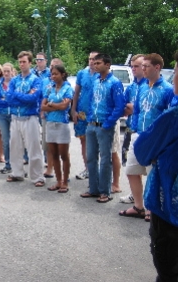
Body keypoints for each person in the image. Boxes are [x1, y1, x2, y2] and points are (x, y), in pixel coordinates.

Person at [134, 46, 178, 282]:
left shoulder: (177, 114)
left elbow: (142, 151)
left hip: (169, 205)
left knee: (170, 271)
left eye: (176, 71)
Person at [119, 53, 174, 221]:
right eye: (141, 66)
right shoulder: (142, 87)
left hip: (156, 139)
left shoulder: (167, 90)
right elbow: (137, 111)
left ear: (157, 68)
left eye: (146, 66)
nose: (142, 69)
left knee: (153, 174)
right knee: (131, 170)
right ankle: (139, 206)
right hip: (138, 134)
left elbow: (170, 116)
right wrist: (132, 127)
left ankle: (152, 208)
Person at [79, 53, 125, 203]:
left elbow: (119, 107)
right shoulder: (96, 81)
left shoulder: (115, 83)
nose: (95, 65)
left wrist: (108, 123)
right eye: (94, 62)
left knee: (105, 159)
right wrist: (90, 118)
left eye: (98, 63)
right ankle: (93, 189)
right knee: (91, 157)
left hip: (104, 126)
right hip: (92, 124)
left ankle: (105, 191)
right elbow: (92, 100)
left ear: (107, 65)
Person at [6, 51, 45, 187]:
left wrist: (17, 95)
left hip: (30, 117)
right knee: (15, 147)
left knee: (34, 148)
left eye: (24, 62)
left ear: (30, 63)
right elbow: (9, 99)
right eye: (20, 62)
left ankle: (37, 176)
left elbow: (32, 99)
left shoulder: (35, 80)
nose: (22, 64)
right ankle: (17, 173)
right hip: (16, 117)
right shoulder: (14, 80)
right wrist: (21, 96)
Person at [119, 54, 147, 203]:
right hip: (131, 129)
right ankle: (134, 195)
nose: (133, 69)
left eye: (137, 66)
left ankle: (149, 201)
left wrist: (134, 108)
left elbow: (148, 110)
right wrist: (130, 108)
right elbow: (123, 107)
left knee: (148, 168)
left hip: (145, 131)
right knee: (131, 167)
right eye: (132, 66)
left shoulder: (148, 86)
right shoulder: (131, 87)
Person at [41, 65, 73, 193]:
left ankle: (65, 182)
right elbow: (42, 106)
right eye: (52, 74)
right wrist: (56, 106)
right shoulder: (49, 88)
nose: (53, 77)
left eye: (56, 74)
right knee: (53, 154)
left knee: (64, 155)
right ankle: (58, 181)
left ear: (62, 74)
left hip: (62, 124)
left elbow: (65, 106)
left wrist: (52, 104)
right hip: (50, 123)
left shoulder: (67, 88)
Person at [71, 51, 99, 180]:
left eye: (94, 59)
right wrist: (73, 110)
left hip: (95, 114)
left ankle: (96, 169)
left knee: (96, 142)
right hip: (82, 112)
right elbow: (76, 94)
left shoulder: (101, 75)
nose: (92, 61)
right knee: (84, 141)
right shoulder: (82, 74)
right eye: (90, 59)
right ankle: (87, 168)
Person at [41, 58, 64, 178]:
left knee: (62, 146)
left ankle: (62, 172)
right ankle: (49, 168)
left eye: (55, 67)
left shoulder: (66, 85)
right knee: (49, 145)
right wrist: (46, 108)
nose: (52, 69)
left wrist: (51, 106)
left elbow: (65, 104)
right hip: (47, 118)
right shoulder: (45, 81)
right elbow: (42, 102)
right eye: (51, 67)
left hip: (61, 120)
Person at [0, 62, 16, 174]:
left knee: (17, 140)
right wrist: (9, 100)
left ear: (12, 71)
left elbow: (16, 99)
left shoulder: (16, 83)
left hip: (14, 114)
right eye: (4, 71)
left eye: (8, 71)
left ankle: (20, 164)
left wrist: (7, 99)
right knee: (6, 140)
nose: (6, 73)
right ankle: (8, 164)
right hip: (2, 115)